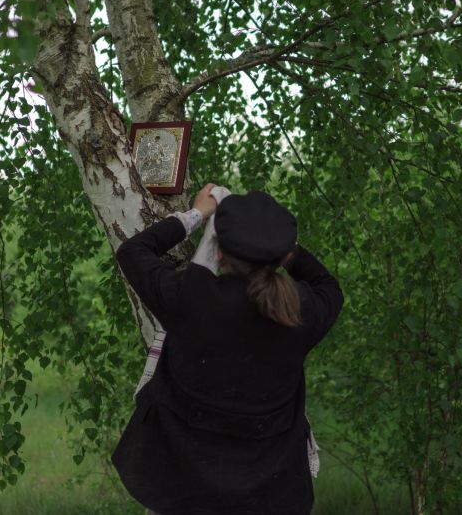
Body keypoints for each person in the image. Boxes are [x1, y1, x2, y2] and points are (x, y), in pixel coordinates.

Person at [112, 183, 344, 515]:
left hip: (180, 488)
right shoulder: (301, 310)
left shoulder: (190, 298)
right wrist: (275, 240)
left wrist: (198, 214)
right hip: (270, 496)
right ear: (280, 258)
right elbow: (328, 285)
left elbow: (132, 252)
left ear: (219, 254)